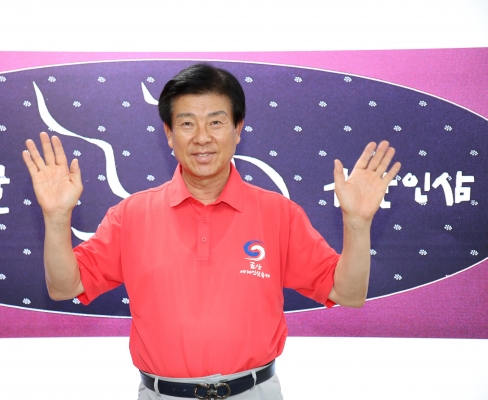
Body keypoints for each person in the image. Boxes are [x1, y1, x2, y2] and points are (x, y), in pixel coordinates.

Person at [22, 64, 401, 399]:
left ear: (238, 129)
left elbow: (348, 293)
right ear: (169, 133)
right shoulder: (131, 214)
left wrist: (357, 223)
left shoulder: (278, 213)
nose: (201, 137)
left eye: (216, 122)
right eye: (187, 123)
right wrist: (56, 217)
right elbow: (65, 286)